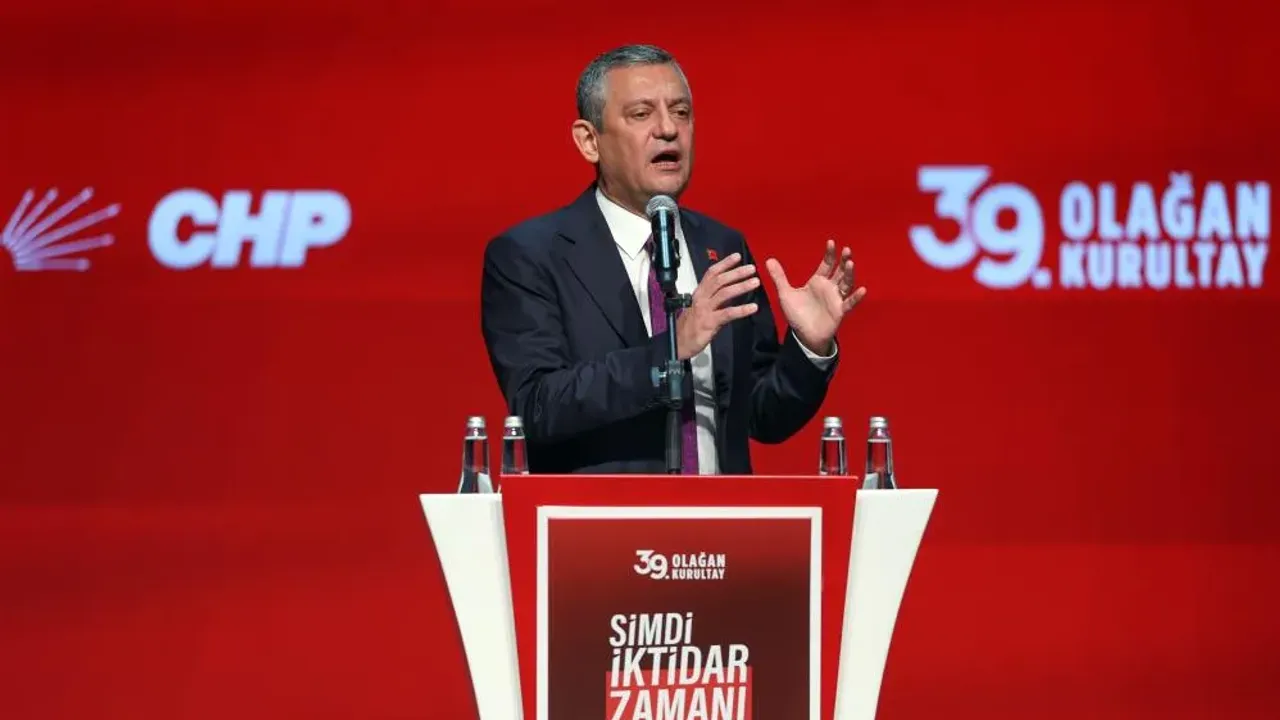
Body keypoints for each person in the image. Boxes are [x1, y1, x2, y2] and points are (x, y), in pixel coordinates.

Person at [479, 44, 866, 475]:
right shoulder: (531, 255)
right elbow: (537, 406)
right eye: (641, 114)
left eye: (681, 112)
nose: (668, 129)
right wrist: (670, 350)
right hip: (600, 516)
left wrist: (808, 348)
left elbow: (761, 414)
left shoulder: (721, 246)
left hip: (719, 517)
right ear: (590, 141)